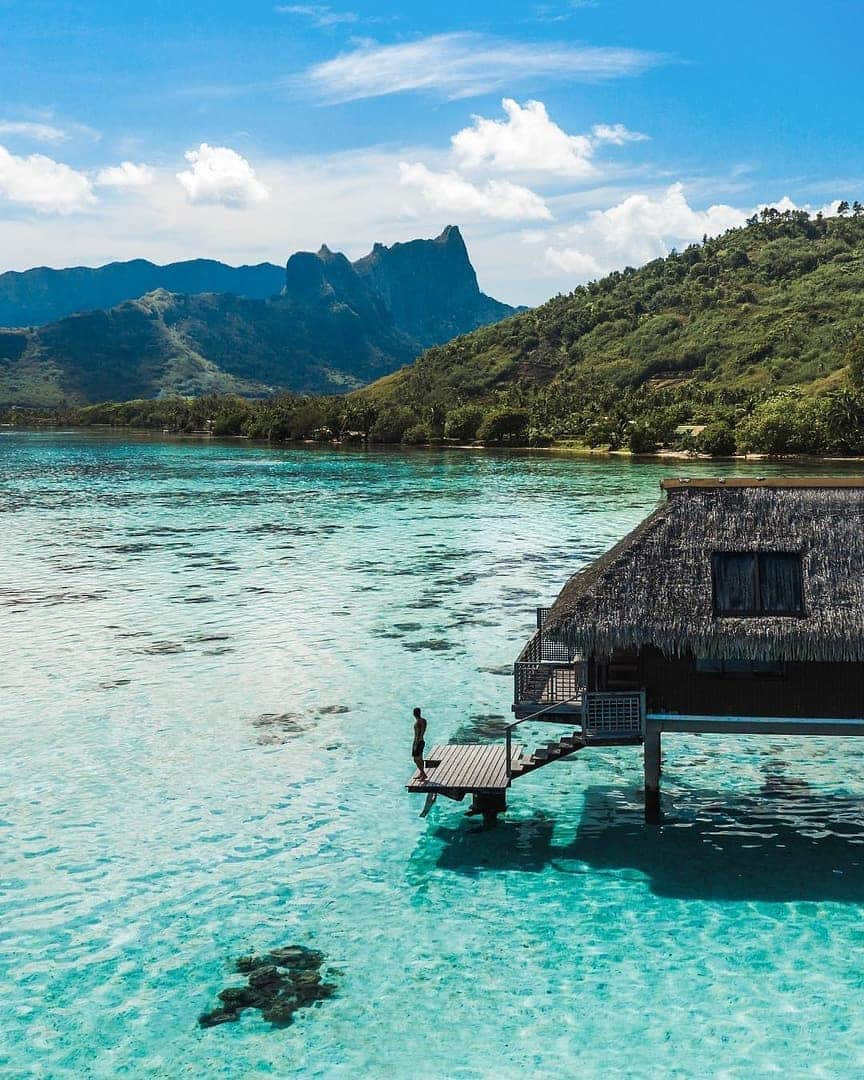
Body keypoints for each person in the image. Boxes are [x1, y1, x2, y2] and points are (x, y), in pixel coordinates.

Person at [412, 707, 428, 782]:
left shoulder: (418, 722)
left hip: (418, 742)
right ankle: (421, 773)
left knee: (416, 759)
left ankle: (423, 774)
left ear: (414, 714)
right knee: (420, 758)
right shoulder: (424, 720)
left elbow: (418, 734)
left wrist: (415, 744)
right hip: (422, 741)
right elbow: (423, 731)